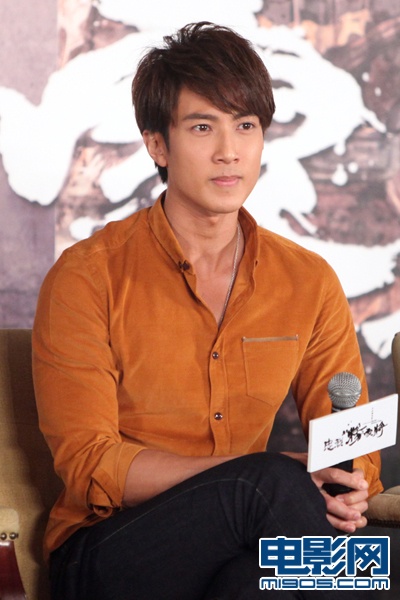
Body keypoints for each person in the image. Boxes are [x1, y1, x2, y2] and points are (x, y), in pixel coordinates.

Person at [32, 22, 383, 600]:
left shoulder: (308, 280)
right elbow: (92, 466)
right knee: (281, 495)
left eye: (246, 126)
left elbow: (350, 443)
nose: (229, 151)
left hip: (251, 538)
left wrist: (350, 483)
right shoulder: (87, 276)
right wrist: (258, 474)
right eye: (203, 127)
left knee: (275, 576)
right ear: (157, 145)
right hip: (108, 552)